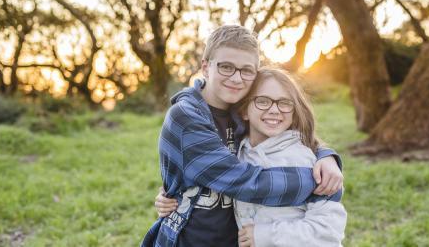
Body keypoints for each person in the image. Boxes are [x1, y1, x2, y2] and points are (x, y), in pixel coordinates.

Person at [141, 25, 343, 247]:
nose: (236, 78)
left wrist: (326, 156)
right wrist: (319, 185)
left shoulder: (243, 108)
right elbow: (244, 182)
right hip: (194, 239)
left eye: (246, 70)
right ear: (206, 67)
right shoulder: (186, 116)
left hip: (235, 238)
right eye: (226, 67)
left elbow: (289, 133)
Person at [235, 67, 347, 247]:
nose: (274, 110)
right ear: (244, 111)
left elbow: (329, 230)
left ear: (294, 111)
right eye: (262, 101)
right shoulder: (236, 152)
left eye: (284, 103)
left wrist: (265, 236)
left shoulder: (307, 161)